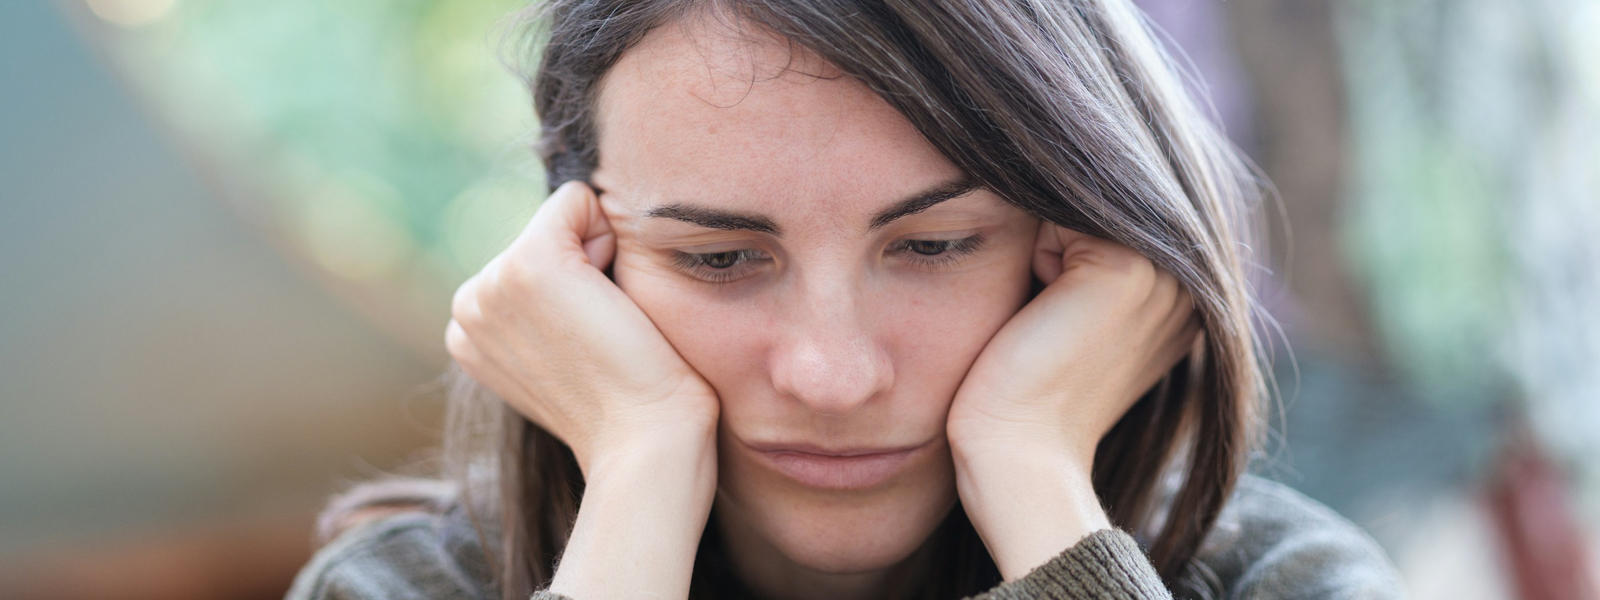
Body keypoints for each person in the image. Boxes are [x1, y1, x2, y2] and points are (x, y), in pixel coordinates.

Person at [286, 1, 1407, 599]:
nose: (832, 374)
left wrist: (1032, 478)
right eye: (720, 259)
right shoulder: (405, 591)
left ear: (1089, 248)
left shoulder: (1283, 586)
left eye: (934, 244)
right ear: (578, 257)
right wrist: (638, 469)